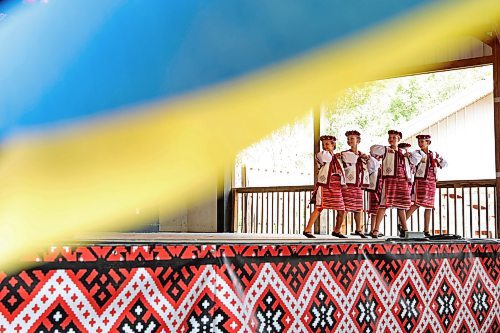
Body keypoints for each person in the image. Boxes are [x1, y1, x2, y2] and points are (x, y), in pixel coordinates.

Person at [369, 130, 422, 238]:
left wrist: (409, 154)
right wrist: (386, 149)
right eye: (390, 137)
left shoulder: (404, 152)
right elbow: (373, 149)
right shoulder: (385, 150)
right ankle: (376, 229)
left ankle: (405, 229)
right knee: (383, 203)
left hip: (402, 180)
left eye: (394, 137)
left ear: (399, 139)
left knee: (401, 205)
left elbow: (416, 160)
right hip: (389, 180)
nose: (391, 139)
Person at [303, 135, 345, 238]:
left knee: (342, 210)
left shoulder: (339, 158)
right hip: (325, 185)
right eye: (323, 144)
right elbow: (327, 157)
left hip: (336, 187)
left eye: (327, 144)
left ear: (333, 145)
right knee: (319, 207)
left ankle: (337, 230)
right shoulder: (321, 155)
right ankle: (307, 230)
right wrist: (333, 154)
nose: (325, 146)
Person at [405, 134, 447, 237]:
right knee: (417, 202)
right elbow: (414, 161)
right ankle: (402, 223)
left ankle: (426, 229)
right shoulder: (417, 153)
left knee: (429, 206)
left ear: (428, 142)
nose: (420, 144)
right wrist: (414, 157)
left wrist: (438, 161)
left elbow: (444, 163)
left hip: (431, 181)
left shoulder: (435, 154)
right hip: (421, 181)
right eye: (419, 142)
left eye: (422, 142)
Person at [335, 130, 371, 238]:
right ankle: (337, 230)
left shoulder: (363, 155)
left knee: (358, 207)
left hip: (357, 183)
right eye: (348, 139)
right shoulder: (344, 154)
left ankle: (358, 229)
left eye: (352, 138)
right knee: (345, 208)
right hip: (347, 183)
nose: (349, 141)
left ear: (358, 141)